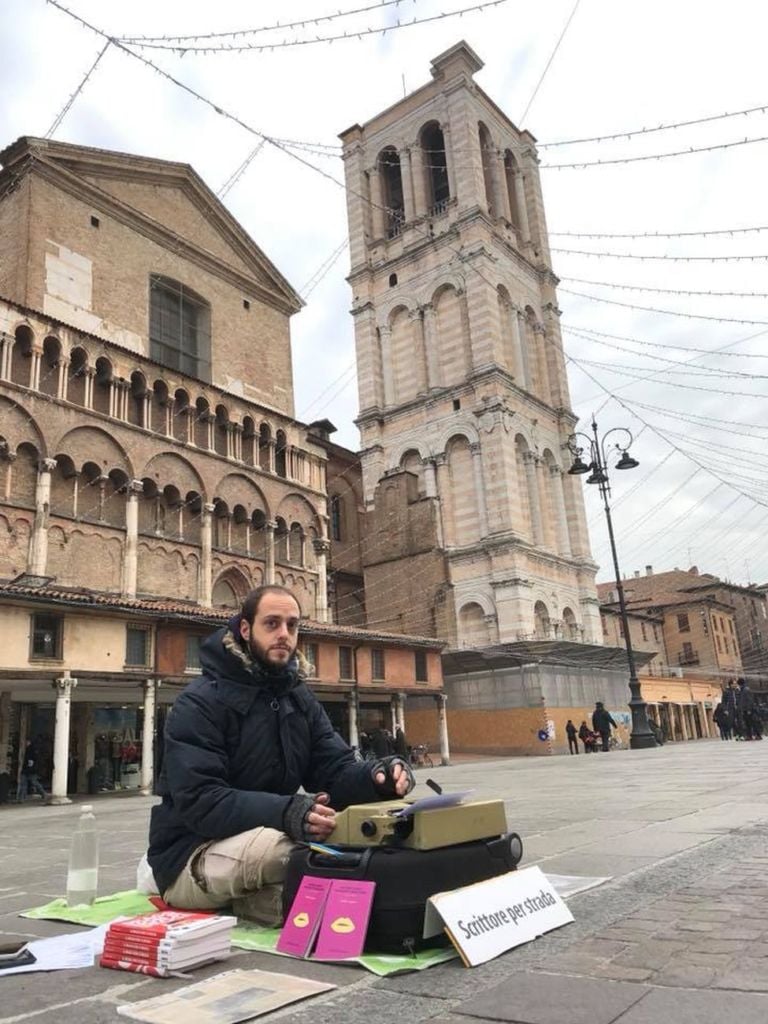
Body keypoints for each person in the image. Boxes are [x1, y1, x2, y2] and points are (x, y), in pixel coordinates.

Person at [148, 585, 414, 926]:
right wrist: (287, 811)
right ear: (245, 630)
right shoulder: (199, 703)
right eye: (272, 624)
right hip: (189, 855)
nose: (284, 635)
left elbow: (333, 769)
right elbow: (202, 801)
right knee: (291, 852)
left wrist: (378, 777)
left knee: (367, 833)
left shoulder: (298, 698)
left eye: (292, 625)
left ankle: (269, 904)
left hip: (271, 834)